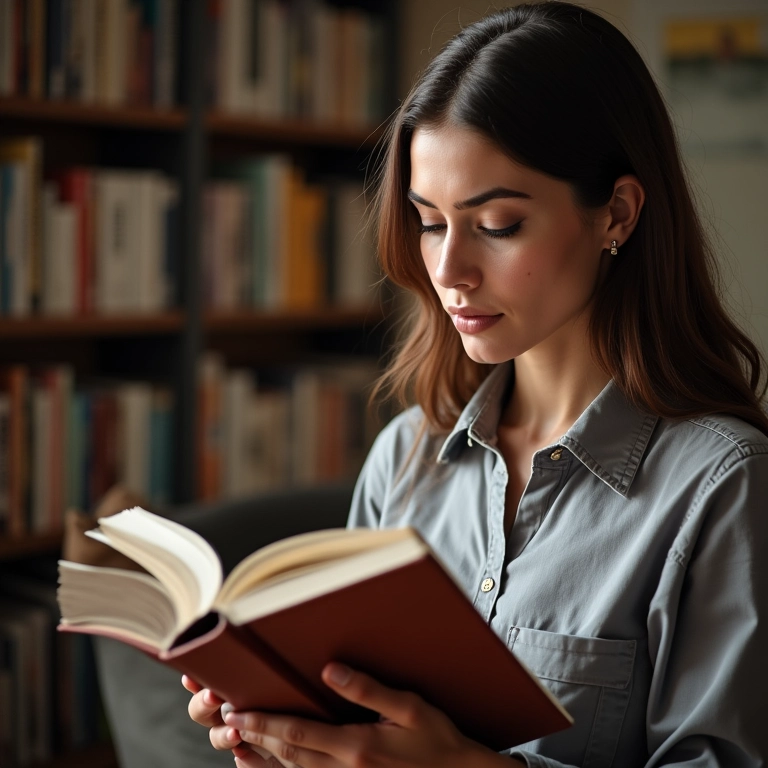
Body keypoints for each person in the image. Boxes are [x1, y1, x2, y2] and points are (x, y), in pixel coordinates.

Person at [184, 2, 768, 766]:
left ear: (616, 215)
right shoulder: (403, 458)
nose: (449, 271)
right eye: (429, 222)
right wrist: (293, 740)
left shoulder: (723, 485)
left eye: (497, 225)